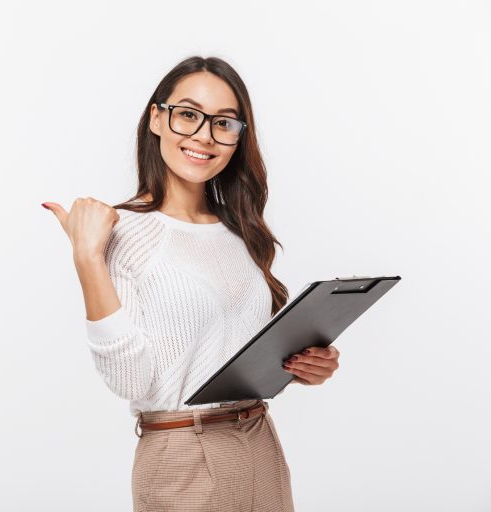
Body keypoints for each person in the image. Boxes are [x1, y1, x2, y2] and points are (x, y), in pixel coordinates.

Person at [43, 55, 341, 512]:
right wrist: (87, 257)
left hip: (260, 442)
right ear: (156, 119)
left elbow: (224, 352)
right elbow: (130, 380)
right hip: (182, 454)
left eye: (224, 123)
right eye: (188, 115)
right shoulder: (120, 231)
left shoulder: (241, 232)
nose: (204, 135)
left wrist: (303, 366)